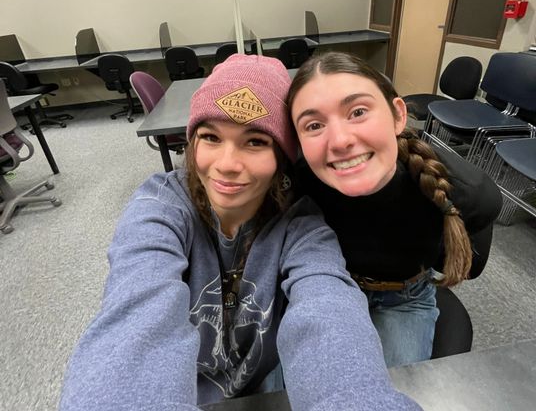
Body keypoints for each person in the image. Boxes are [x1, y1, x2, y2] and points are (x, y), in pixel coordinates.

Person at [59, 54, 421, 411]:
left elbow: (327, 311)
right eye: (211, 137)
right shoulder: (160, 207)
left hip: (262, 385)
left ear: (281, 157)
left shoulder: (301, 223)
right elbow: (138, 317)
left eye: (255, 142)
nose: (228, 164)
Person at [287, 51, 502, 368]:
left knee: (389, 385)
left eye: (358, 112)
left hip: (405, 298)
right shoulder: (300, 179)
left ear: (398, 115)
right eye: (314, 125)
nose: (340, 141)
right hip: (332, 284)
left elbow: (462, 251)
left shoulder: (463, 190)